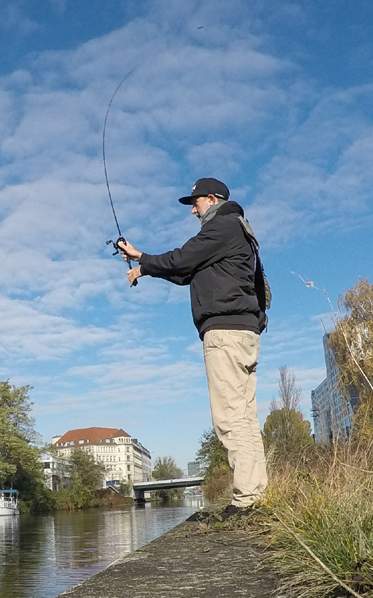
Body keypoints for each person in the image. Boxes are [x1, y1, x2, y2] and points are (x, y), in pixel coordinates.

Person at [117, 177, 268, 519]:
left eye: (195, 203)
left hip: (225, 332)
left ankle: (246, 501)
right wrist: (144, 266)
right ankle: (256, 495)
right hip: (242, 330)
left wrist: (142, 257)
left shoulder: (222, 226)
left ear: (211, 199)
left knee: (230, 419)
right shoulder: (237, 229)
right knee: (244, 417)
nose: (193, 210)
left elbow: (183, 259)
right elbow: (187, 271)